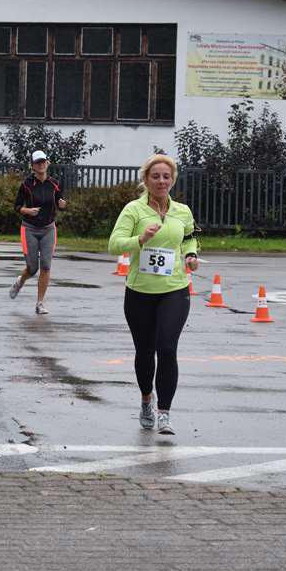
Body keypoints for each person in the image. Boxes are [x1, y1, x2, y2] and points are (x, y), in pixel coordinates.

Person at [108, 155, 199, 435]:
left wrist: (191, 254)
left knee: (167, 349)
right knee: (145, 351)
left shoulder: (182, 211)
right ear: (146, 180)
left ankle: (165, 414)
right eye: (156, 176)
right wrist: (141, 239)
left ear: (173, 180)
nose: (161, 181)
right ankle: (147, 399)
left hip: (175, 288)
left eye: (166, 176)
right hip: (140, 291)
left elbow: (189, 237)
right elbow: (114, 245)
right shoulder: (134, 210)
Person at [9, 150, 67, 314]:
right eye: (37, 162)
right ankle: (20, 281)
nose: (41, 165)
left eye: (43, 162)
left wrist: (62, 204)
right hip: (29, 228)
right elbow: (17, 206)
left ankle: (40, 303)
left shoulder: (55, 183)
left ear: (47, 163)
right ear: (33, 166)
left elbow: (60, 202)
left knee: (46, 266)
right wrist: (27, 211)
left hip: (48, 228)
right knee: (32, 267)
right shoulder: (26, 184)